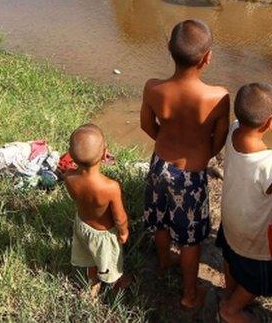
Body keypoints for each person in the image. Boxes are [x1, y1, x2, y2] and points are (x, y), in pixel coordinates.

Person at [141, 19, 231, 309]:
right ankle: (190, 295)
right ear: (207, 58)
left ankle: (165, 261)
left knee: (161, 220)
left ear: (169, 50)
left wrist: (165, 141)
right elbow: (219, 140)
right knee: (191, 240)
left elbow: (146, 126)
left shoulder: (153, 88)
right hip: (190, 177)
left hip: (159, 166)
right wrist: (203, 155)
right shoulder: (218, 97)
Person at [217, 83, 272, 323]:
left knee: (231, 257)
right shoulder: (271, 162)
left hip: (231, 220)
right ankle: (230, 311)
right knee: (258, 278)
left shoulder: (233, 130)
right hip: (254, 234)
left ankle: (229, 295)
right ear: (270, 122)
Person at [63, 124, 131, 292]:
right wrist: (123, 232)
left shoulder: (69, 177)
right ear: (104, 153)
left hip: (82, 227)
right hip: (104, 234)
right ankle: (116, 284)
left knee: (90, 257)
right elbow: (119, 217)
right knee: (109, 262)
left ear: (71, 155)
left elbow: (75, 197)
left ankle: (93, 283)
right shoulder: (110, 187)